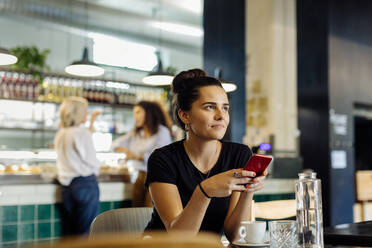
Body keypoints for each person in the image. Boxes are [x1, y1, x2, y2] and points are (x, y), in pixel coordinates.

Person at [144, 69, 267, 242]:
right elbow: (179, 239)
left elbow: (235, 236)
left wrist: (249, 190)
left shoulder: (239, 154)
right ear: (185, 115)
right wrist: (205, 191)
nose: (220, 116)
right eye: (210, 107)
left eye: (225, 108)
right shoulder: (163, 159)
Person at [54, 96, 101, 236]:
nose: (86, 114)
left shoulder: (61, 133)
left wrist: (92, 121)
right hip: (85, 184)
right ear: (78, 113)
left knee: (70, 233)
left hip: (66, 187)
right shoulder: (81, 133)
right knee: (85, 233)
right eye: (85, 111)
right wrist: (98, 168)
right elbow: (92, 161)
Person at [111, 100, 172, 207]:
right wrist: (126, 151)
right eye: (134, 112)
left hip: (157, 176)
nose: (135, 116)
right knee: (137, 211)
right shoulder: (136, 133)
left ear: (148, 113)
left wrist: (135, 156)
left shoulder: (162, 132)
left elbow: (159, 157)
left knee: (148, 214)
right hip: (140, 176)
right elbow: (114, 145)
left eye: (138, 112)